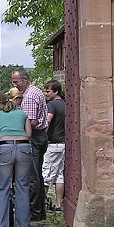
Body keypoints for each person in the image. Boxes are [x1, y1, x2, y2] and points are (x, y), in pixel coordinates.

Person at [0, 91, 32, 227]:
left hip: (5, 147)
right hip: (23, 146)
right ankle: (24, 225)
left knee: (3, 187)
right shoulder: (22, 114)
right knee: (22, 186)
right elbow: (29, 134)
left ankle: (1, 225)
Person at [11, 69, 49, 221]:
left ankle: (34, 211)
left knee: (32, 175)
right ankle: (39, 210)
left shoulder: (29, 97)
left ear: (25, 79)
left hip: (33, 137)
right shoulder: (35, 92)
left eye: (16, 82)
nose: (14, 85)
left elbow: (31, 122)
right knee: (37, 174)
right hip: (40, 136)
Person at [43, 79, 66, 212]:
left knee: (45, 174)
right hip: (63, 143)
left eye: (48, 91)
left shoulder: (51, 105)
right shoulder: (65, 104)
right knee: (59, 175)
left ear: (55, 91)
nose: (45, 94)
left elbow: (48, 121)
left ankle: (41, 204)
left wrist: (42, 134)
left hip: (52, 144)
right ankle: (58, 204)